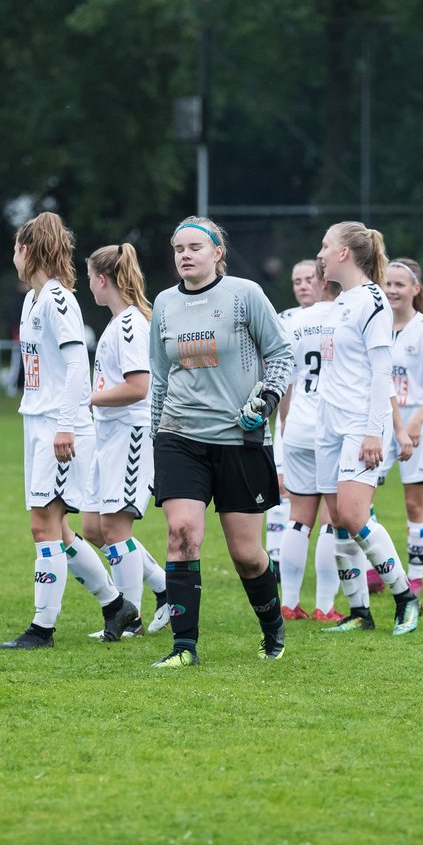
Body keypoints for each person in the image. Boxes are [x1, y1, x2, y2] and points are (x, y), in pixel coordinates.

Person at [148, 216, 294, 668]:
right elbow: (158, 378)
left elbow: (282, 354)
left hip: (238, 439)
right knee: (182, 534)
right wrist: (156, 439)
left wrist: (267, 399)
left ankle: (273, 630)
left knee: (247, 556)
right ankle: (184, 647)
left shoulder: (244, 295)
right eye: (178, 248)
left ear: (218, 254)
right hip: (179, 436)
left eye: (195, 247)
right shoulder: (165, 304)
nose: (185, 255)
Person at [0, 212, 138, 650]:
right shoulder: (31, 301)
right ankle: (116, 605)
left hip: (64, 428)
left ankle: (43, 629)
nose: (13, 257)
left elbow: (79, 364)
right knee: (57, 531)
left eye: (17, 248)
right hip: (38, 423)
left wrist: (64, 425)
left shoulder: (60, 300)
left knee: (43, 526)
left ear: (30, 250)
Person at [314, 221, 422, 636]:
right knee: (337, 518)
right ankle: (359, 611)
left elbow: (382, 372)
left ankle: (405, 599)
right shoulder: (340, 301)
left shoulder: (372, 302)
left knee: (356, 515)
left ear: (344, 254)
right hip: (329, 424)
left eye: (326, 247)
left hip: (360, 423)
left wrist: (377, 431)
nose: (320, 253)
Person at [80, 242, 170, 637]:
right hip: (108, 435)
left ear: (102, 280)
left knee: (116, 530)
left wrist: (88, 398)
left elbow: (138, 387)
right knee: (94, 529)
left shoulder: (132, 324)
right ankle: (164, 589)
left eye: (89, 279)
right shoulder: (117, 323)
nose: (88, 288)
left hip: (131, 435)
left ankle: (128, 620)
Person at [276, 260, 349, 622]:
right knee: (331, 520)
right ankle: (325, 605)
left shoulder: (296, 321)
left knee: (297, 516)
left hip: (299, 426)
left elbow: (285, 379)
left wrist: (286, 420)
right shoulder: (345, 317)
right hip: (330, 427)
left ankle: (288, 603)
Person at [377, 258, 423, 595]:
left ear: (415, 289)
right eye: (387, 284)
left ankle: (415, 576)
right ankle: (375, 569)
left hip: (416, 424)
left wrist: (416, 423)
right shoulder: (374, 325)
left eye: (399, 284)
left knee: (413, 504)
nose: (392, 290)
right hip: (379, 423)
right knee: (361, 500)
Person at [266, 260, 320, 576]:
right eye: (296, 280)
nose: (302, 285)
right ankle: (275, 557)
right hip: (290, 419)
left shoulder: (336, 315)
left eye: (308, 278)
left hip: (323, 420)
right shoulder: (284, 319)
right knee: (280, 486)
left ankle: (356, 562)